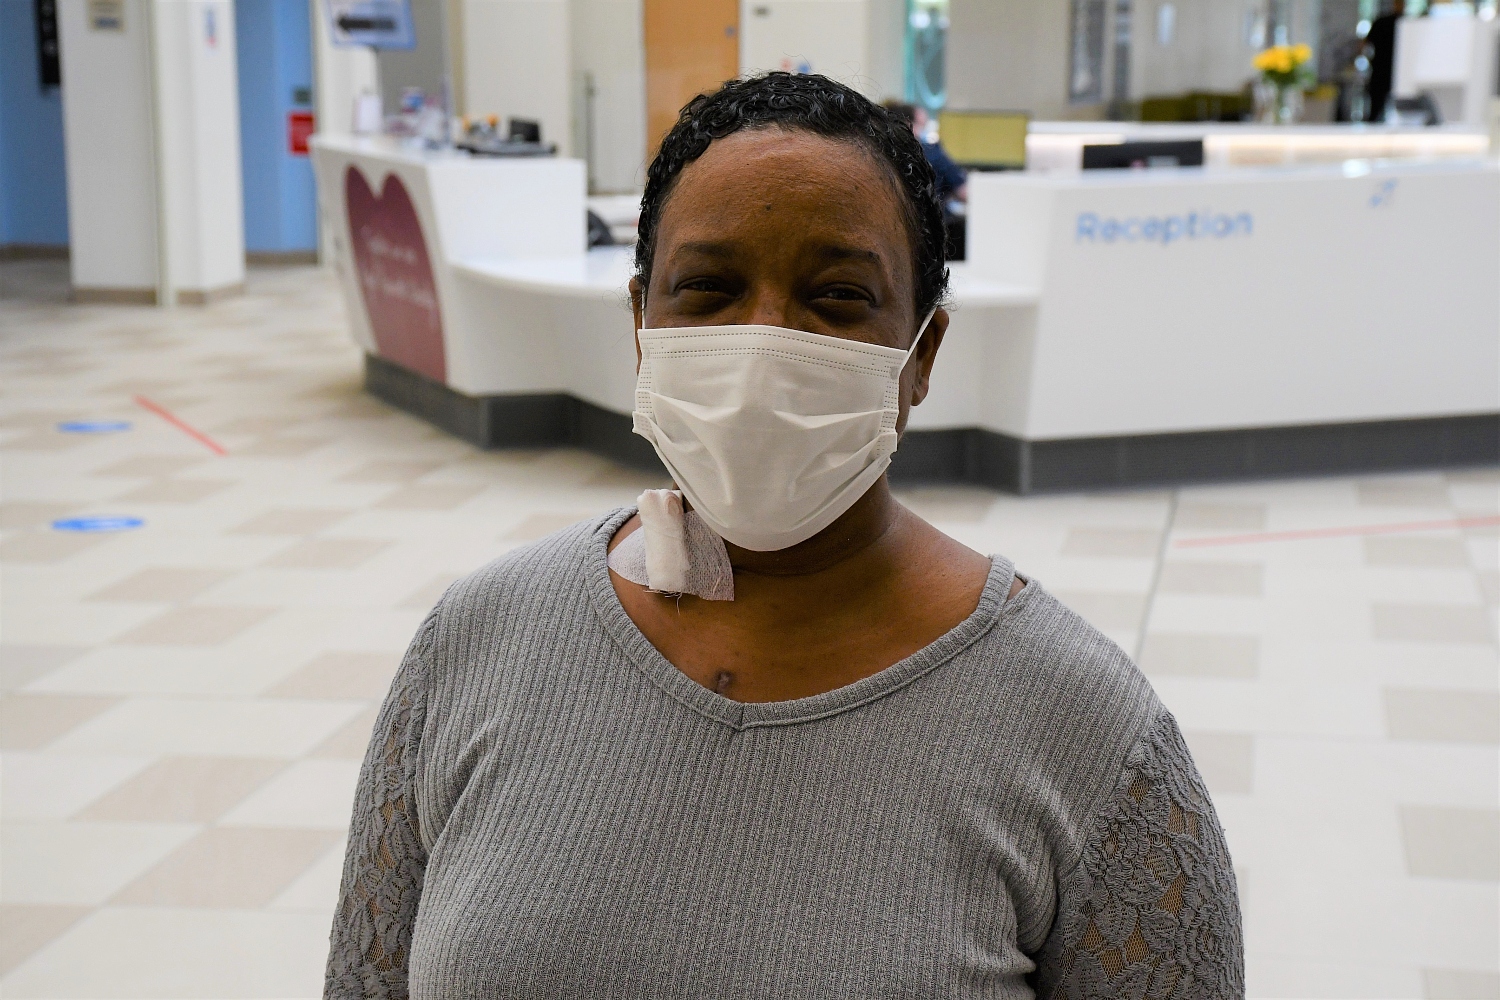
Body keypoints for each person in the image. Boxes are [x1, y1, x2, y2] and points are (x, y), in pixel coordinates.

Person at [325, 72, 1243, 999]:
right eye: (709, 288)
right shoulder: (479, 642)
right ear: (643, 328)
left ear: (919, 356)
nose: (764, 341)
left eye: (838, 295)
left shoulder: (1087, 741)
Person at [1366, 0, 1405, 122]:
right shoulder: (1405, 23)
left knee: (1377, 108)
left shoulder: (1381, 22)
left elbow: (1364, 45)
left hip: (1382, 69)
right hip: (1391, 69)